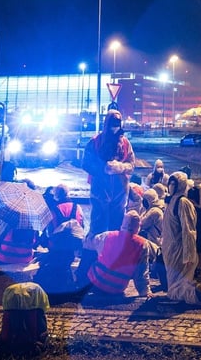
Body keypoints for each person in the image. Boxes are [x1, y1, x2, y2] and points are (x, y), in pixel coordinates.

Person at [76, 109, 135, 285]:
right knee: (97, 229)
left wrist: (120, 167)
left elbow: (131, 164)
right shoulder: (94, 143)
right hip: (100, 191)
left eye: (118, 125)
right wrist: (102, 169)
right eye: (112, 125)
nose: (115, 128)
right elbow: (85, 163)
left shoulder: (125, 143)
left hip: (119, 191)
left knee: (117, 229)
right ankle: (87, 269)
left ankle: (113, 267)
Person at [161, 172, 201, 307]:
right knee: (177, 283)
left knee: (173, 291)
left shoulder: (183, 203)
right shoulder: (172, 200)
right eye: (170, 183)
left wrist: (189, 255)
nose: (171, 186)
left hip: (180, 252)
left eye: (174, 183)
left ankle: (194, 292)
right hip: (171, 251)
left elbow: (189, 231)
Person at [88, 210, 158, 298]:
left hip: (96, 282)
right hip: (117, 288)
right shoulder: (142, 244)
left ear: (122, 224)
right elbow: (142, 272)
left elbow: (89, 244)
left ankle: (79, 283)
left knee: (93, 254)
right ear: (138, 227)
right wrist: (145, 291)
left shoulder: (107, 235)